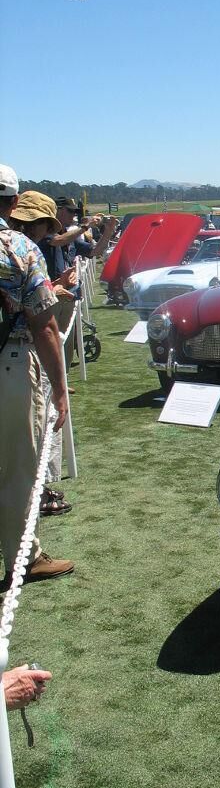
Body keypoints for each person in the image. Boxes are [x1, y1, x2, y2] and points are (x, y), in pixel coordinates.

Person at [0, 165, 73, 590]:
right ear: (13, 202)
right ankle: (24, 558)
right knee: (17, 469)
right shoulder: (20, 248)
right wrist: (60, 390)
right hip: (10, 364)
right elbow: (45, 326)